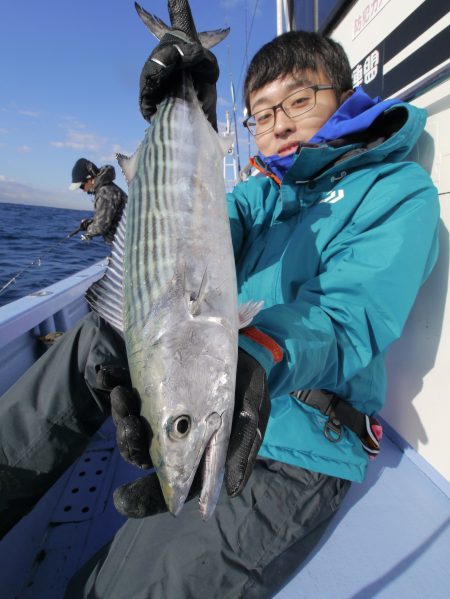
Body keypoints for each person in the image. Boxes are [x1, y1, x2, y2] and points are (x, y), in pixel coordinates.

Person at [0, 24, 440, 599]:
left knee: (113, 592)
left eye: (299, 101)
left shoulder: (394, 189)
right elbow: (176, 241)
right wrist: (186, 128)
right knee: (101, 336)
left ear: (345, 95)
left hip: (295, 444)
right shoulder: (260, 194)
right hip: (210, 404)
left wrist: (255, 357)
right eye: (260, 114)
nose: (278, 123)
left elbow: (346, 320)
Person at [69, 157, 127, 244]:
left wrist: (89, 231)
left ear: (89, 179)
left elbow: (100, 226)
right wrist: (89, 223)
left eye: (82, 186)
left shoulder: (105, 192)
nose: (83, 190)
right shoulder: (106, 189)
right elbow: (109, 218)